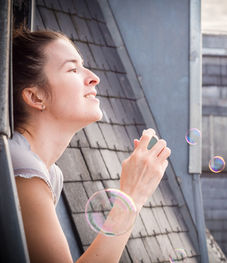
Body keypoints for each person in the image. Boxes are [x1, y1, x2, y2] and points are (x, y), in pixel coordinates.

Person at [9, 26, 171, 263]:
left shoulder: (46, 171)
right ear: (35, 97)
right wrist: (132, 196)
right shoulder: (22, 169)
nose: (94, 77)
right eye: (73, 69)